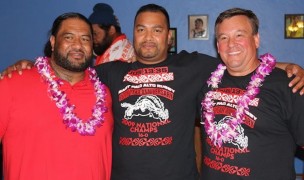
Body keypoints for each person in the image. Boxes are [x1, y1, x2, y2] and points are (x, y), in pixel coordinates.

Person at [2, 4, 304, 180]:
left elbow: (238, 62)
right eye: (141, 29)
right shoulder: (108, 73)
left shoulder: (195, 66)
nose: (148, 37)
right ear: (132, 33)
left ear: (167, 36)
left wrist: (283, 66)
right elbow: (68, 69)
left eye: (157, 30)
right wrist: (28, 65)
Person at [0, 12, 113, 180]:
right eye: (69, 37)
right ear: (53, 42)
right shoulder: (12, 84)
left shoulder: (105, 95)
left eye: (85, 39)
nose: (78, 45)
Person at [199, 8, 304, 180]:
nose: (231, 44)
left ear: (256, 40)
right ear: (218, 46)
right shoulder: (207, 82)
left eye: (239, 35)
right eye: (223, 38)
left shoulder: (289, 85)